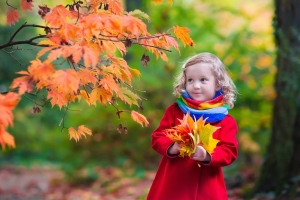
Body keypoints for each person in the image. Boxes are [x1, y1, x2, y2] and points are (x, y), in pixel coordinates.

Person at [147, 52, 238, 200]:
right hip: (173, 184)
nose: (196, 86)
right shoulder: (175, 110)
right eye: (190, 80)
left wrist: (207, 155)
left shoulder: (225, 120)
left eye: (203, 80)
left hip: (207, 187)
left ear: (218, 83)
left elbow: (229, 151)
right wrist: (172, 146)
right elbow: (158, 137)